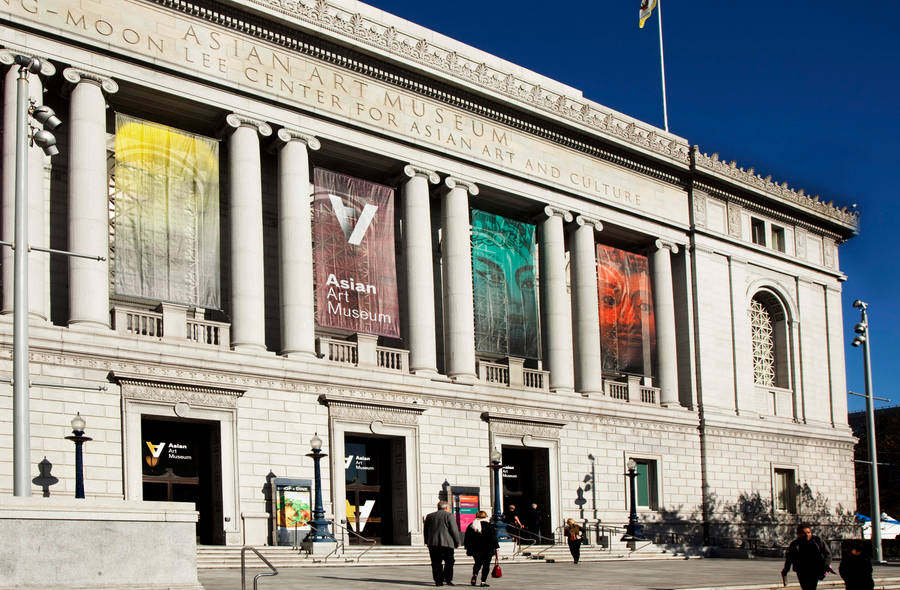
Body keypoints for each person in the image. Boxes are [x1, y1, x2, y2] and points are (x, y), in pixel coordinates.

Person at [781, 524, 832, 590]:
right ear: (798, 534)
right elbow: (789, 558)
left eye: (808, 532)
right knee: (805, 587)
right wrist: (786, 570)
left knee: (812, 587)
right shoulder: (795, 544)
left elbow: (828, 554)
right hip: (801, 570)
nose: (807, 535)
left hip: (814, 569)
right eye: (803, 533)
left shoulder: (817, 541)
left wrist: (825, 565)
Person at [424, 500, 460, 587]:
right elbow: (454, 530)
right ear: (447, 507)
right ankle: (448, 579)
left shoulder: (429, 516)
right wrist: (457, 542)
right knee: (449, 562)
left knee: (436, 562)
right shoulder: (449, 515)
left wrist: (426, 541)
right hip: (447, 544)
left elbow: (426, 530)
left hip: (433, 544)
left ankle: (438, 581)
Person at [463, 510, 499, 587]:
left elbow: (467, 538)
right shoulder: (489, 526)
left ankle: (474, 575)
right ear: (485, 516)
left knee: (477, 563)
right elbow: (493, 538)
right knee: (486, 565)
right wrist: (496, 547)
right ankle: (483, 581)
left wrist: (467, 547)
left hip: (475, 549)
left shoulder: (472, 525)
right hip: (487, 549)